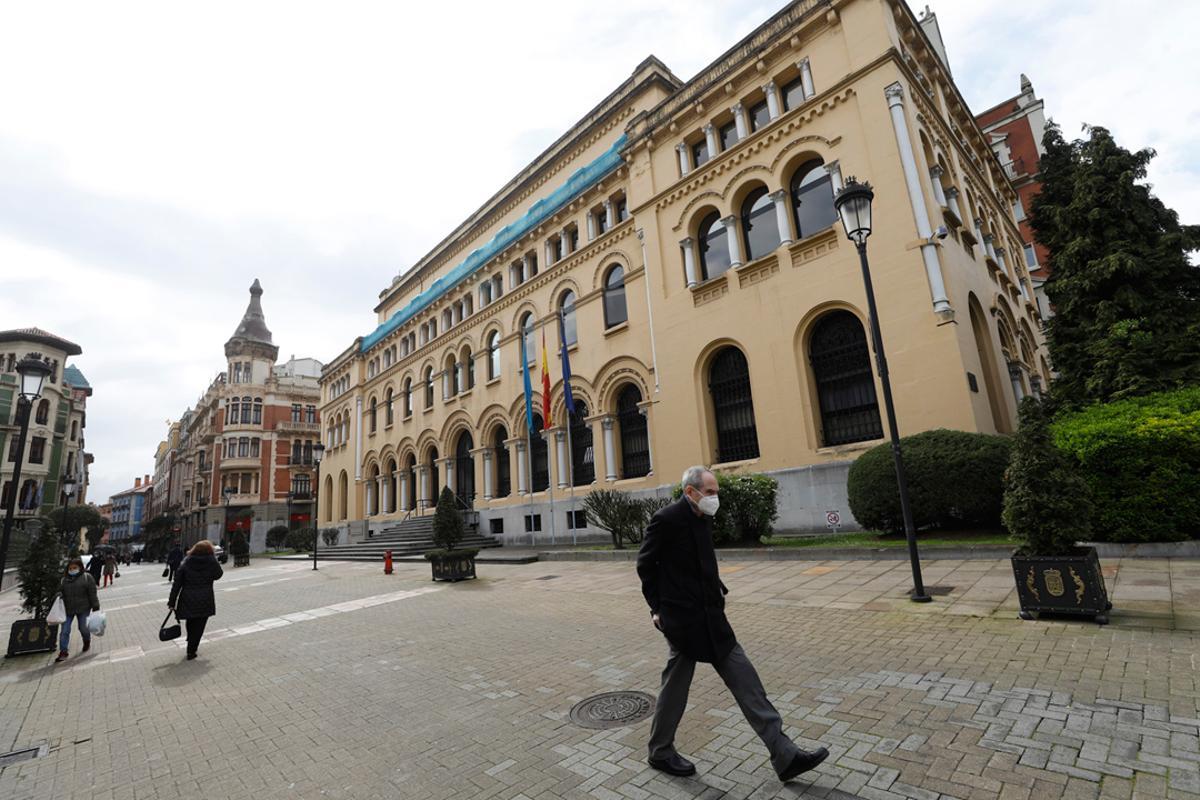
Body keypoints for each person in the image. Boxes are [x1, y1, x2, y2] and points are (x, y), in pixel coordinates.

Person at [636, 466, 829, 782]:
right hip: (682, 622)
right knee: (675, 689)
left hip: (713, 618)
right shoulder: (667, 519)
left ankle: (784, 754)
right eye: (710, 492)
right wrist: (656, 608)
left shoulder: (702, 517)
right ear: (690, 493)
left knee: (747, 681)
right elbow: (645, 565)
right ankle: (660, 752)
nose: (715, 498)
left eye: (716, 492)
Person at [168, 539, 224, 660]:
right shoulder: (211, 561)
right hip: (205, 598)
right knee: (200, 624)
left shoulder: (186, 562)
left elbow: (177, 584)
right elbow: (219, 575)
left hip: (187, 597)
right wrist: (214, 560)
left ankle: (190, 641)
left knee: (191, 621)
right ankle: (192, 648)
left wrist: (172, 601)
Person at [55, 556, 100, 663]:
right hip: (68, 609)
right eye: (70, 568)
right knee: (65, 631)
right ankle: (63, 651)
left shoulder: (87, 577)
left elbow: (92, 593)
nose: (72, 570)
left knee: (83, 628)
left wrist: (95, 606)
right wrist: (59, 594)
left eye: (74, 568)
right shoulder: (64, 580)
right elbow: (58, 590)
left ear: (80, 567)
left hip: (83, 608)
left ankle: (86, 640)